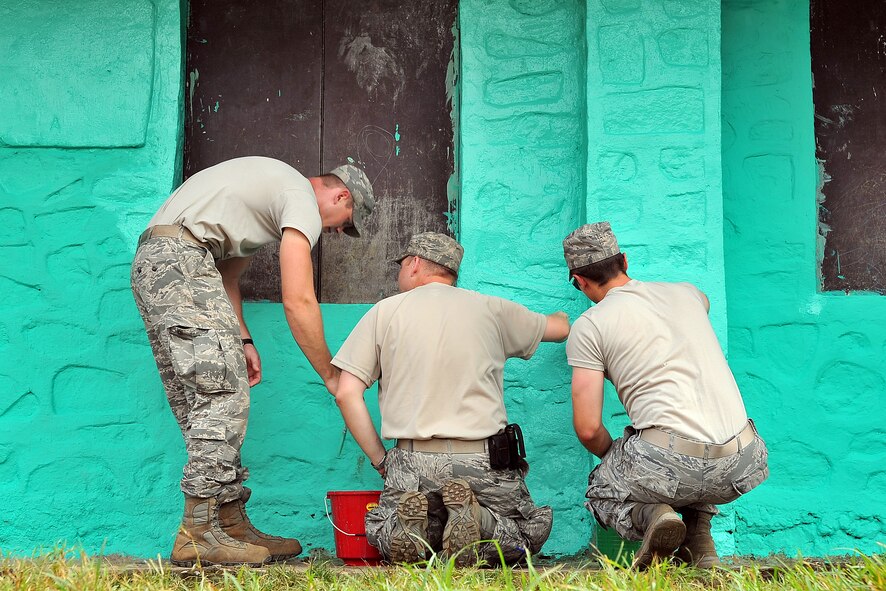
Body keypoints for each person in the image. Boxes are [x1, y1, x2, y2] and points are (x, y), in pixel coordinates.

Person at [130, 156, 375, 567]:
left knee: (208, 397)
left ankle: (228, 522)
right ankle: (198, 533)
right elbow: (297, 299)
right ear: (341, 194)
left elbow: (226, 278)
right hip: (183, 262)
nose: (333, 230)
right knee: (221, 396)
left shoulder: (264, 197)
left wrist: (242, 338)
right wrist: (330, 375)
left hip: (161, 264)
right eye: (342, 220)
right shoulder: (298, 194)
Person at [332, 232, 570, 566]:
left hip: (413, 462)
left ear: (415, 264)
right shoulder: (491, 309)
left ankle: (412, 531)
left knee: (383, 532)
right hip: (483, 459)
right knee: (525, 534)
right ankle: (481, 521)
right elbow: (558, 329)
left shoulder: (384, 313)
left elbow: (346, 393)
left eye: (401, 265)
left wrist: (380, 460)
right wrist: (562, 315)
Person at [563, 222, 768, 569]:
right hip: (744, 458)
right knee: (679, 457)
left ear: (579, 281)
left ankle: (653, 515)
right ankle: (700, 546)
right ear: (624, 261)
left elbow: (587, 428)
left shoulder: (591, 325)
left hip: (670, 460)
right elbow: (703, 302)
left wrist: (614, 457)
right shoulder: (688, 294)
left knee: (605, 486)